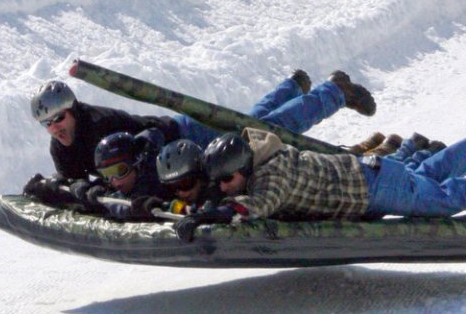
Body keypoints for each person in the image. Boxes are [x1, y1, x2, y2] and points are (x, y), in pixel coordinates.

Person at [28, 69, 376, 181]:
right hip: (173, 148)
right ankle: (293, 87)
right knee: (253, 122)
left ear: (73, 109)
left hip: (183, 136)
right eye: (47, 123)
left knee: (264, 133)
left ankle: (335, 92)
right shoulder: (62, 148)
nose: (55, 127)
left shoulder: (100, 126)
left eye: (59, 117)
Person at [179, 127, 466, 238]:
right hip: (370, 180)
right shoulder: (258, 165)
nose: (223, 187)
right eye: (218, 183)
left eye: (227, 179)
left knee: (444, 200)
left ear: (243, 167)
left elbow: (258, 204)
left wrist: (217, 212)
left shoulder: (272, 173)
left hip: (374, 187)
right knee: (428, 176)